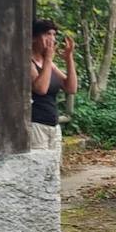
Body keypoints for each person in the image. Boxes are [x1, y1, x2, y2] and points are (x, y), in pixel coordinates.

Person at [29, 19, 78, 149]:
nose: (52, 39)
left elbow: (71, 88)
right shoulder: (28, 62)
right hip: (36, 125)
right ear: (34, 38)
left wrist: (69, 59)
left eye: (54, 35)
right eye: (47, 34)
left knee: (54, 168)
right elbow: (41, 89)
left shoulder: (49, 63)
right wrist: (49, 59)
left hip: (53, 125)